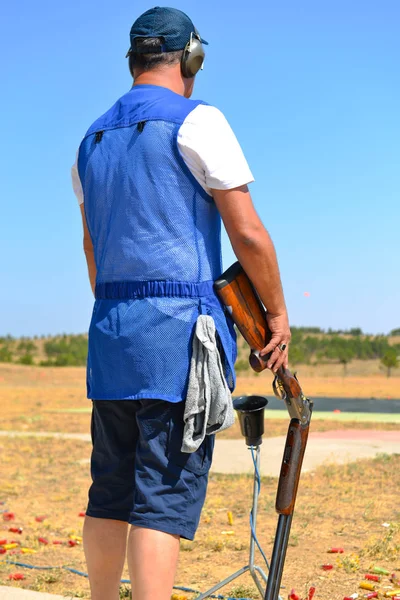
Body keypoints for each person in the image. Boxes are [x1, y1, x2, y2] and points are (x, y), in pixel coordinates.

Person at [71, 7, 291, 600]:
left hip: (111, 334)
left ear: (133, 60)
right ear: (191, 58)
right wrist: (276, 314)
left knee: (109, 489)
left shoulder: (90, 140)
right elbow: (246, 233)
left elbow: (93, 249)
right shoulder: (200, 121)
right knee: (161, 495)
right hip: (177, 342)